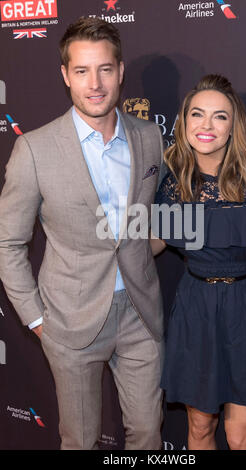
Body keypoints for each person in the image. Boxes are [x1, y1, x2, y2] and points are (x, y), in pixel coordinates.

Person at [0, 17, 164, 450]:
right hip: (68, 319)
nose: (95, 83)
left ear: (120, 71)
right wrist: (35, 318)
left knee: (148, 433)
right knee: (80, 439)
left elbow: (160, 216)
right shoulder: (33, 149)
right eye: (81, 70)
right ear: (65, 75)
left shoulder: (149, 138)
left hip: (140, 314)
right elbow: (8, 242)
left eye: (105, 69)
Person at [152, 74, 246, 450]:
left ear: (233, 127)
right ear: (184, 123)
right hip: (196, 309)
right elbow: (154, 244)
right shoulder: (174, 186)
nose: (206, 125)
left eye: (219, 116)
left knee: (239, 433)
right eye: (197, 114)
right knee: (200, 429)